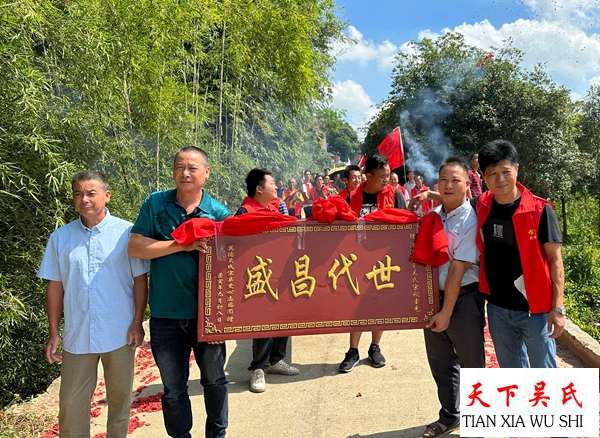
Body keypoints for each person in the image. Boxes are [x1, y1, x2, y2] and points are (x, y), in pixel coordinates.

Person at [128, 146, 230, 438]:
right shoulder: (155, 203)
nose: (185, 173)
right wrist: (180, 244)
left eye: (192, 168)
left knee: (215, 381)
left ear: (206, 173)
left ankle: (217, 435)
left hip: (206, 316)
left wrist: (225, 320)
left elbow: (230, 266)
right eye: (179, 167)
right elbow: (135, 247)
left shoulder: (217, 213)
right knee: (173, 389)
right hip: (166, 314)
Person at [38, 170, 149, 438]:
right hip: (78, 335)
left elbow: (140, 280)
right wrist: (53, 332)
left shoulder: (127, 233)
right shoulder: (60, 238)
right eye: (78, 194)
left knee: (120, 401)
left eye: (91, 193)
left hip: (119, 332)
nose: (84, 199)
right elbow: (55, 286)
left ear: (107, 196)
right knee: (70, 404)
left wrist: (137, 322)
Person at [476, 140, 565, 368]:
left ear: (517, 168)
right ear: (483, 176)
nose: (500, 179)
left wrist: (558, 308)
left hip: (535, 311)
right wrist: (430, 197)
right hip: (497, 308)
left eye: (506, 171)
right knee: (512, 375)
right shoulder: (482, 205)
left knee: (544, 373)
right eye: (492, 173)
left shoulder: (540, 210)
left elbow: (555, 260)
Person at [422, 158, 485, 438]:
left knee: (472, 362)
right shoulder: (432, 216)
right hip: (432, 299)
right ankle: (449, 416)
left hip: (464, 300)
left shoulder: (472, 219)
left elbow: (458, 270)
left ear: (467, 184)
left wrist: (446, 312)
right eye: (443, 180)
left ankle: (481, 421)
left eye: (455, 180)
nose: (448, 185)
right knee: (441, 362)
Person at [339, 155, 408, 373]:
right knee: (356, 305)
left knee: (380, 303)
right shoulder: (352, 197)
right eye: (381, 176)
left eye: (388, 175)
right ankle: (353, 351)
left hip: (385, 260)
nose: (386, 180)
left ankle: (375, 347)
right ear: (368, 176)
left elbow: (406, 224)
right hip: (357, 260)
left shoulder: (395, 194)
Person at [237, 169, 300, 393]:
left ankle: (276, 360)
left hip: (280, 272)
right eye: (272, 183)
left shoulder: (275, 208)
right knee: (263, 321)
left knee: (284, 316)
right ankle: (258, 368)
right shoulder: (245, 212)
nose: (276, 187)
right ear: (259, 189)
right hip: (260, 274)